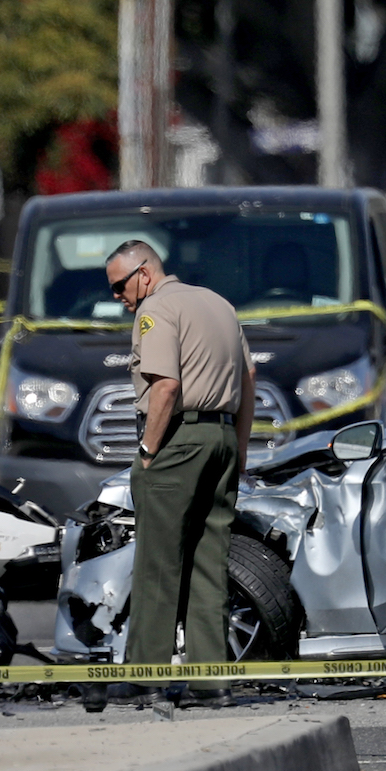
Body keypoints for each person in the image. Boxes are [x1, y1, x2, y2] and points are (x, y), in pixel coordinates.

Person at [105, 240, 257, 678]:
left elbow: (166, 386)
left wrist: (148, 451)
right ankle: (212, 680)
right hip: (222, 439)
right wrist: (240, 445)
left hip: (179, 441)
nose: (119, 298)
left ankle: (144, 678)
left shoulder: (156, 310)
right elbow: (248, 377)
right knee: (210, 567)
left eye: (120, 286)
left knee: (157, 566)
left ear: (145, 274)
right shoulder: (219, 304)